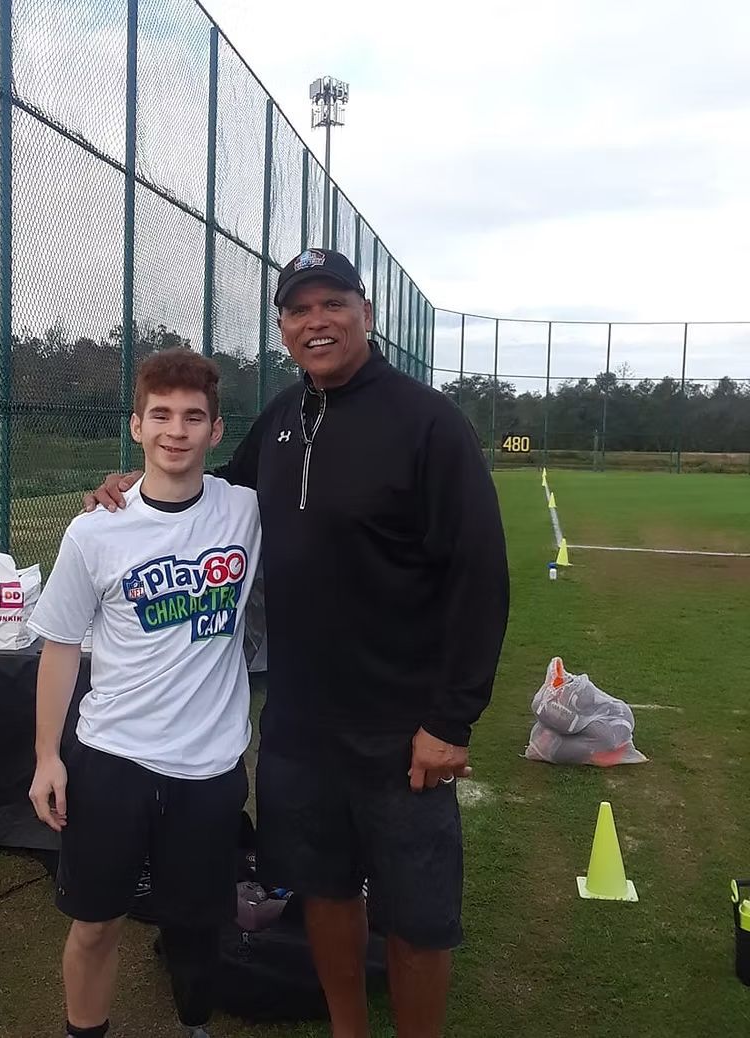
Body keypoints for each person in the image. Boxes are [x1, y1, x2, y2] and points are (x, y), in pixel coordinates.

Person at [86, 250, 509, 1038]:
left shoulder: (428, 424)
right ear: (282, 327)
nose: (316, 321)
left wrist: (450, 720)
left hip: (400, 727)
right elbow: (210, 491)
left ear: (365, 313)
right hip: (297, 723)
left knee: (417, 916)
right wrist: (129, 488)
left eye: (332, 304)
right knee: (323, 890)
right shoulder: (283, 419)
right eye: (298, 310)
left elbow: (480, 578)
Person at [29, 349, 261, 1038]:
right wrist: (47, 757)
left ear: (216, 430)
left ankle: (194, 1024)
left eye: (193, 417)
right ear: (136, 426)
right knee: (95, 924)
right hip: (113, 761)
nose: (176, 431)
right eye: (160, 415)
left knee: (197, 922)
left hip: (209, 766)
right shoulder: (95, 529)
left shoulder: (247, 509)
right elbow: (60, 647)